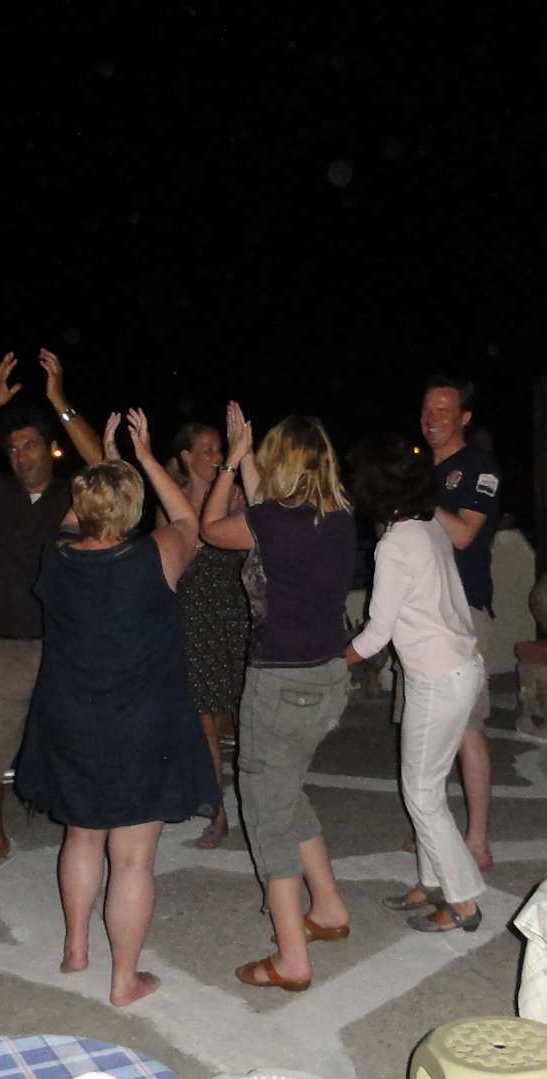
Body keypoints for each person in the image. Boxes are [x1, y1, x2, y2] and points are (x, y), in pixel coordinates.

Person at [17, 409, 219, 1007]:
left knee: (82, 836)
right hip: (139, 725)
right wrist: (147, 458)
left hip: (71, 719)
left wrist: (104, 464)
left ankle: (76, 948)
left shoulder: (57, 556)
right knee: (132, 858)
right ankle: (124, 980)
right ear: (132, 511)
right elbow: (189, 520)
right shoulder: (156, 555)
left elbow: (77, 515)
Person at [201, 403, 355, 993]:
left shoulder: (271, 523)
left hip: (281, 685)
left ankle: (292, 958)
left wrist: (229, 466)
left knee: (265, 811)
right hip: (328, 678)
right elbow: (268, 508)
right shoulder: (339, 516)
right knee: (285, 790)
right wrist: (245, 458)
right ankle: (329, 908)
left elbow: (212, 530)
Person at [0, 349, 104, 889]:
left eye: (29, 444)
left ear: (49, 448)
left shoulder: (74, 495)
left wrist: (59, 401)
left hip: (70, 646)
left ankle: (99, 835)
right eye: (12, 448)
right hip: (9, 645)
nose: (19, 455)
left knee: (91, 748)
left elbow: (109, 466)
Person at [346, 435, 486, 933]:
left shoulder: (394, 543)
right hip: (459, 668)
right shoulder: (427, 525)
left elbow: (376, 634)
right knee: (426, 786)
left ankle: (463, 900)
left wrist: (329, 661)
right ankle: (429, 882)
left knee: (422, 794)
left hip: (437, 678)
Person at [395, 374, 501, 873]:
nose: (431, 418)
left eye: (442, 410)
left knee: (465, 730)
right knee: (422, 729)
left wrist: (421, 499)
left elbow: (462, 535)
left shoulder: (478, 468)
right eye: (426, 409)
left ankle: (476, 840)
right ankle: (430, 826)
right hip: (417, 616)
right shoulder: (418, 470)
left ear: (464, 417)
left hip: (462, 613)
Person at [161, 420, 250, 849]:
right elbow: (168, 563)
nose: (216, 457)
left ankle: (260, 808)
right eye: (207, 450)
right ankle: (218, 813)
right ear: (186, 457)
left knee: (248, 716)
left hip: (237, 613)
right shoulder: (171, 501)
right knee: (205, 723)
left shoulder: (235, 495)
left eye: (220, 448)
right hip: (193, 618)